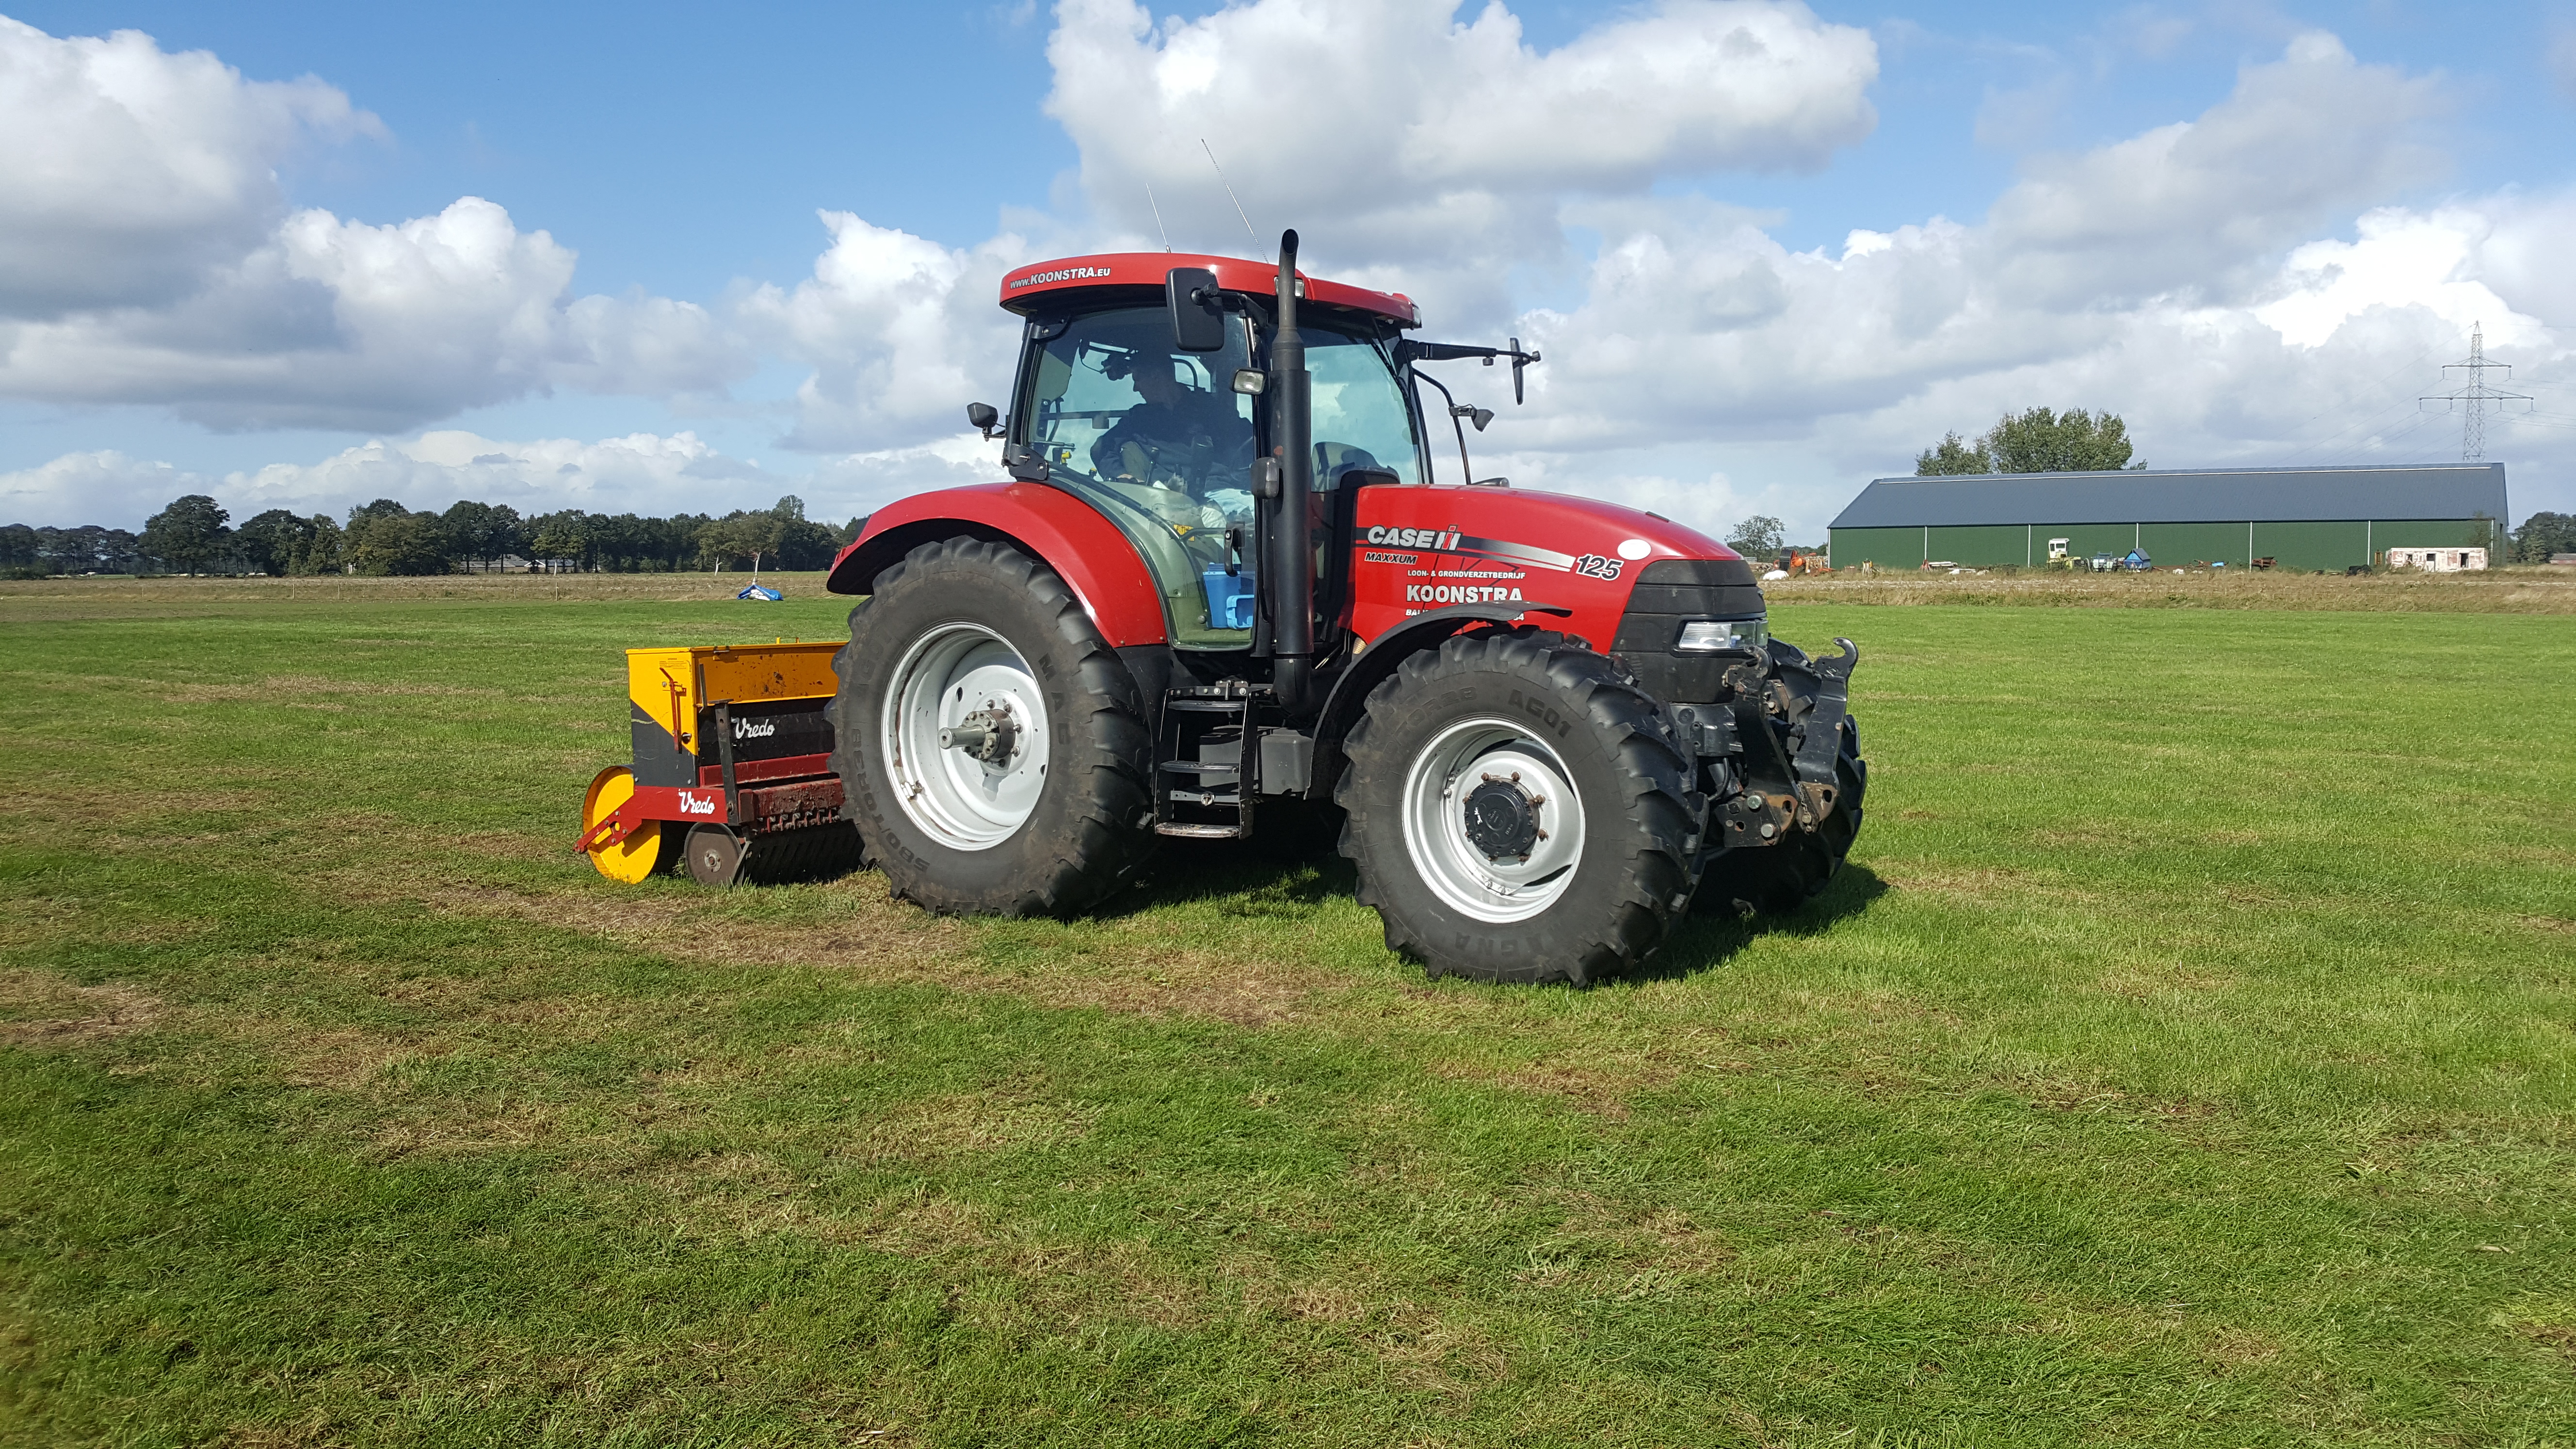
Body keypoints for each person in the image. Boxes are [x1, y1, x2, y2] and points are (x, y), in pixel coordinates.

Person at [1090, 352, 1254, 498]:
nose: (1135, 388)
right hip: (1168, 498)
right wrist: (1120, 475)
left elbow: (1250, 440)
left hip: (1220, 491)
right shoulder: (1139, 418)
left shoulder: (1209, 408)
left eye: (1137, 380)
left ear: (1156, 377)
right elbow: (1101, 448)